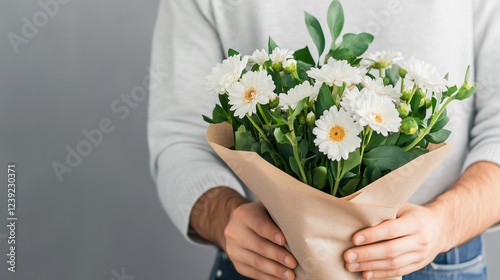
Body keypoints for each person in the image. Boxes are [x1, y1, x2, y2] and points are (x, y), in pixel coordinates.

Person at [148, 0, 500, 279]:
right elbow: (180, 136)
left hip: (439, 259)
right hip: (270, 259)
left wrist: (442, 225)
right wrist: (227, 220)